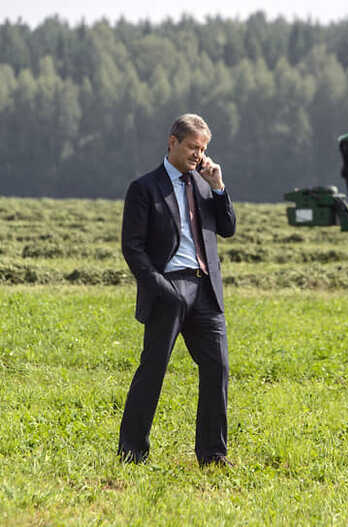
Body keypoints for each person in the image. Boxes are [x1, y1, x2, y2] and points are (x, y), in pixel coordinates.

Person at [118, 113, 236, 467]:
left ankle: (212, 456)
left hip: (206, 290)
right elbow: (132, 247)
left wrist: (218, 188)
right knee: (153, 369)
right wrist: (161, 288)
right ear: (172, 141)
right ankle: (132, 452)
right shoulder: (144, 188)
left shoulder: (204, 184)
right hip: (169, 288)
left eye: (202, 149)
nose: (197, 155)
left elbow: (227, 228)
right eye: (191, 147)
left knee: (217, 369)